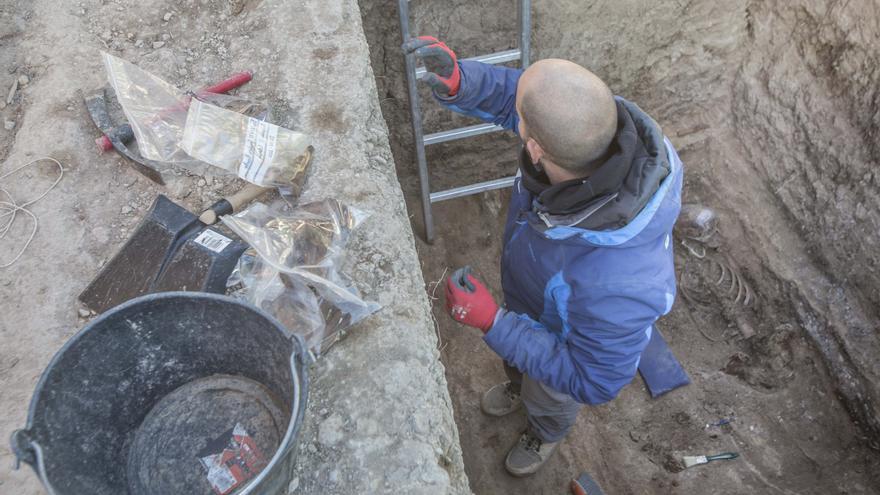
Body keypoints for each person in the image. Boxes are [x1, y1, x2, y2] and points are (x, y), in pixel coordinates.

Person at [404, 36, 683, 476]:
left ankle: (545, 430)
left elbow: (593, 380)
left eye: (519, 121)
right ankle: (520, 382)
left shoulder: (619, 286)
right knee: (520, 365)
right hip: (534, 298)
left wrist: (493, 323)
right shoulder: (599, 129)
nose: (512, 113)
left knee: (549, 393)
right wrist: (463, 80)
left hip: (564, 345)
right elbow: (534, 105)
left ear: (534, 148)